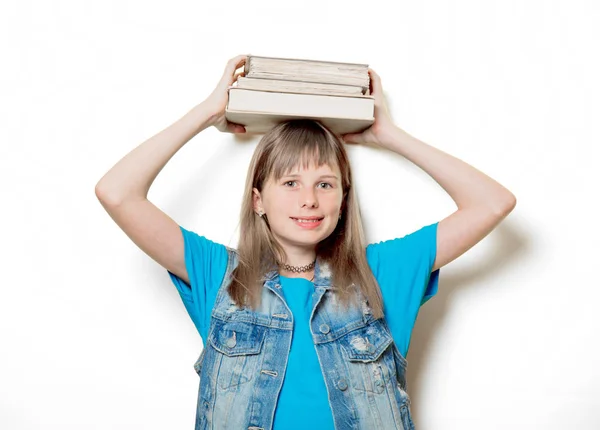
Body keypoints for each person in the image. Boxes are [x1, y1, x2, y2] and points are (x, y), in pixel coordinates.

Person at [95, 54, 516, 430]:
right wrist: (207, 113)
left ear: (343, 199)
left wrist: (390, 135)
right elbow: (117, 192)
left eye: (326, 184)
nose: (310, 199)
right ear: (258, 200)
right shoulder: (219, 275)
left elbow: (493, 203)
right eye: (291, 182)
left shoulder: (381, 273)